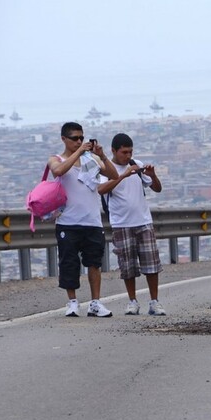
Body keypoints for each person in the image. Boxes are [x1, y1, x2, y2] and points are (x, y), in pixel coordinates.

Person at [49, 122, 119, 317]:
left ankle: (95, 303)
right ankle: (72, 302)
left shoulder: (92, 160)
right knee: (69, 264)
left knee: (94, 263)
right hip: (67, 221)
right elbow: (58, 171)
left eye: (81, 138)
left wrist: (102, 156)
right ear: (64, 139)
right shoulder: (56, 159)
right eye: (75, 138)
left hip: (92, 221)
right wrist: (79, 152)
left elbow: (113, 175)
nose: (79, 141)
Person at [98, 133, 166, 315]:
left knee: (151, 264)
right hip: (121, 223)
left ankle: (154, 301)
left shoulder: (137, 164)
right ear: (114, 151)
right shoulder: (107, 169)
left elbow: (157, 188)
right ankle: (132, 301)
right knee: (127, 266)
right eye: (124, 152)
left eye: (130, 152)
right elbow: (101, 189)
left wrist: (152, 175)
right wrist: (123, 175)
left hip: (143, 221)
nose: (128, 156)